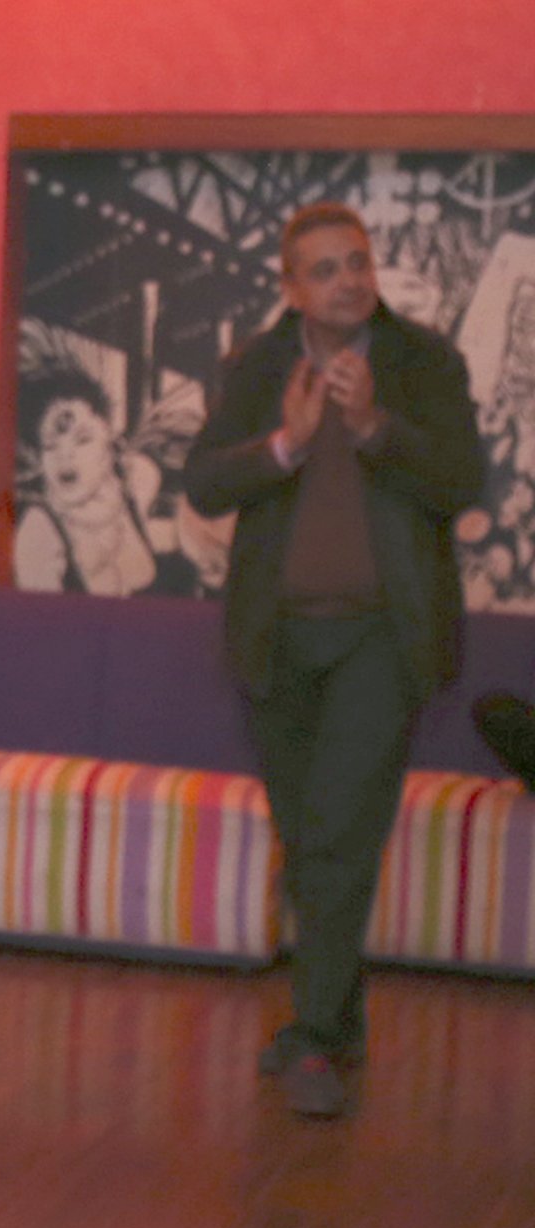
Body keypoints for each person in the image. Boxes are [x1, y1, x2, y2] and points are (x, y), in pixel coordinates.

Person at [183, 201, 485, 1119]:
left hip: (383, 640)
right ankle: (340, 1018)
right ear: (290, 286)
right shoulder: (256, 366)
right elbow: (206, 481)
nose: (349, 280)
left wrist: (372, 426)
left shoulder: (425, 363)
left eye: (357, 262)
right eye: (325, 269)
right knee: (310, 833)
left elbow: (461, 482)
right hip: (276, 640)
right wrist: (286, 444)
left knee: (340, 830)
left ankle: (312, 1036)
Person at [12, 366, 198, 596]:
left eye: (83, 439)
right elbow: (40, 615)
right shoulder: (39, 529)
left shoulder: (129, 488)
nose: (65, 456)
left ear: (109, 439)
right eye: (50, 446)